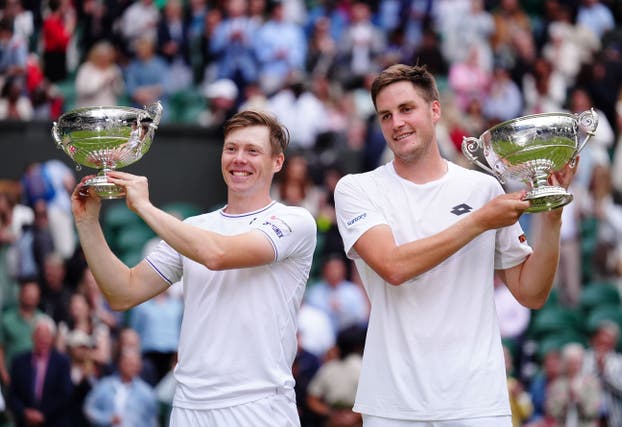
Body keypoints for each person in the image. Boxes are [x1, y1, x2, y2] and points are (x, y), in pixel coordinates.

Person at [333, 64, 578, 426]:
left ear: (435, 111)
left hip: (477, 399)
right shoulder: (356, 189)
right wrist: (479, 220)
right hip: (393, 403)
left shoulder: (483, 190)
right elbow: (394, 267)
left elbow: (532, 293)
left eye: (406, 109)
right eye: (385, 115)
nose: (396, 123)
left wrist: (552, 217)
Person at [71, 109, 317, 426]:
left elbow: (217, 254)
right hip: (189, 407)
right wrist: (87, 221)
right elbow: (123, 292)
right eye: (232, 148)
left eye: (252, 151)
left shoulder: (294, 221)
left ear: (277, 162)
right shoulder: (194, 227)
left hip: (259, 406)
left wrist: (144, 207)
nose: (239, 159)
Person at [7, 315, 73, 427]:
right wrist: (25, 412)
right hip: (25, 422)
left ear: (52, 338)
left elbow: (65, 393)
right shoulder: (19, 361)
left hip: (54, 421)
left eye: (46, 336)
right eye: (39, 336)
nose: (43, 340)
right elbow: (12, 394)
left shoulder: (62, 362)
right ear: (33, 336)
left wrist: (42, 415)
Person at [83, 347, 158, 427]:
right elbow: (89, 409)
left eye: (134, 364)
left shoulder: (146, 392)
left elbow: (152, 421)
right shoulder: (104, 386)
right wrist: (107, 419)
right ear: (120, 363)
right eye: (128, 363)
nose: (131, 367)